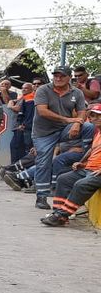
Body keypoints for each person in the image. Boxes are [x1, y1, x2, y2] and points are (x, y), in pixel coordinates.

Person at [32, 66, 90, 209]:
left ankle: (88, 155)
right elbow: (42, 111)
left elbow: (82, 111)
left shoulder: (77, 92)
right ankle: (41, 196)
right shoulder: (43, 89)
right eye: (56, 76)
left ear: (69, 77)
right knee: (43, 161)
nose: (58, 78)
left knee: (88, 127)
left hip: (64, 128)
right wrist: (68, 120)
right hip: (44, 132)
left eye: (62, 76)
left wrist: (78, 122)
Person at [42, 103, 101, 226]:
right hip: (89, 168)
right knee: (63, 179)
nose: (94, 119)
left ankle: (61, 215)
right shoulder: (98, 132)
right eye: (92, 116)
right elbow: (92, 149)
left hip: (98, 172)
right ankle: (58, 213)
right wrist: (82, 162)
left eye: (97, 116)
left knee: (81, 184)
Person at [8, 81, 36, 163]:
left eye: (26, 88)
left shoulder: (30, 98)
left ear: (31, 89)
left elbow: (18, 109)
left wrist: (11, 106)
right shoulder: (22, 98)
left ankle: (18, 166)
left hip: (23, 127)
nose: (23, 90)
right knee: (15, 146)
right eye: (22, 88)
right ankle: (15, 166)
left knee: (20, 147)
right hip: (18, 126)